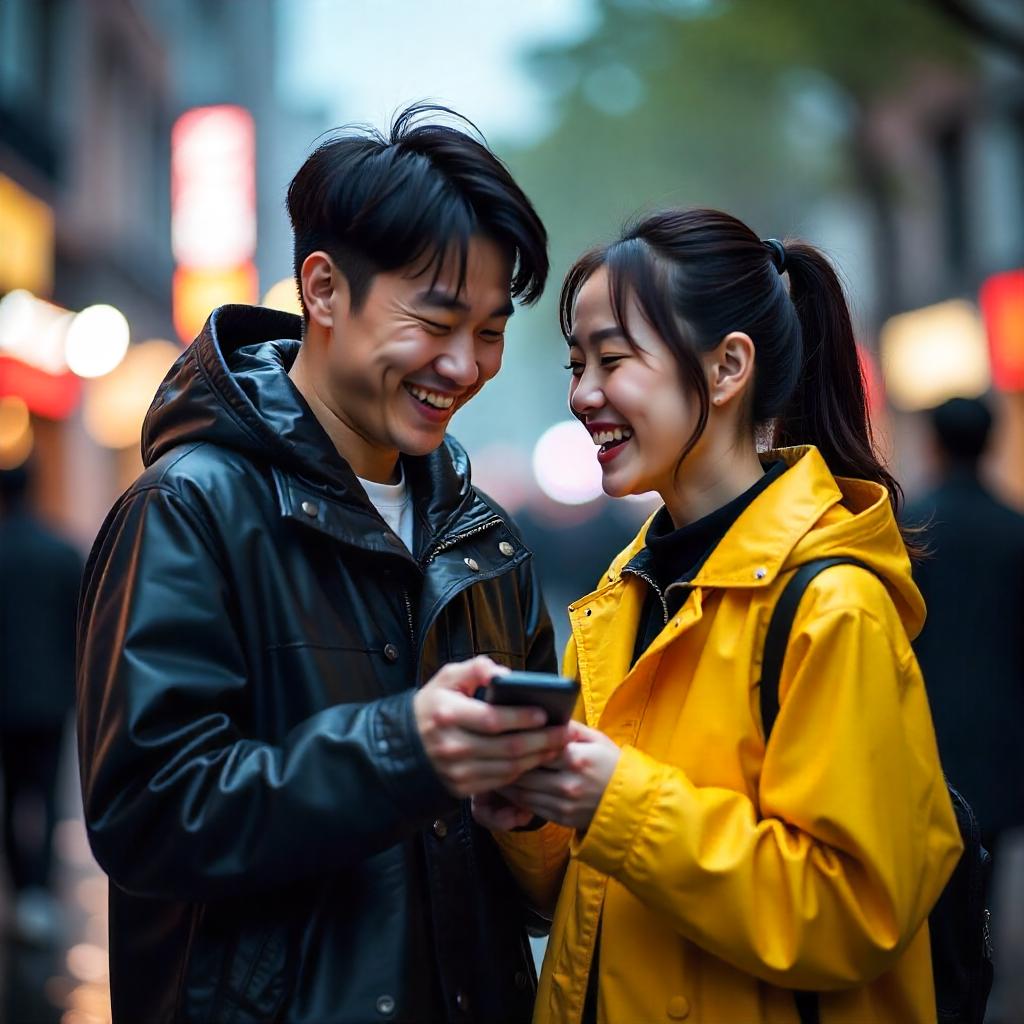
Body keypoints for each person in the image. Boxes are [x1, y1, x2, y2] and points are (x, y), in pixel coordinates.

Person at [76, 104, 566, 1024]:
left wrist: (534, 805)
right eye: (436, 320)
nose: (464, 366)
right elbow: (150, 815)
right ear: (325, 289)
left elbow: (533, 887)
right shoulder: (189, 509)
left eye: (492, 331)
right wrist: (402, 747)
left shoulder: (482, 538)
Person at [475, 209, 963, 1023]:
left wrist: (612, 800)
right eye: (575, 364)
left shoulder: (832, 607)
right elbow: (578, 896)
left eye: (613, 360)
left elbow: (852, 913)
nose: (583, 395)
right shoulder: (625, 593)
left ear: (729, 366)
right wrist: (532, 814)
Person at [905, 397, 1024, 863]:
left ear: (934, 444)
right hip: (1002, 729)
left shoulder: (913, 528)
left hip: (927, 729)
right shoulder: (1014, 529)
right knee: (987, 876)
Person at [0, 461, 82, 945]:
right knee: (48, 795)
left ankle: (21, 888)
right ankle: (42, 894)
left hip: (6, 698)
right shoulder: (61, 552)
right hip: (52, 696)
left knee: (11, 795)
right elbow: (80, 624)